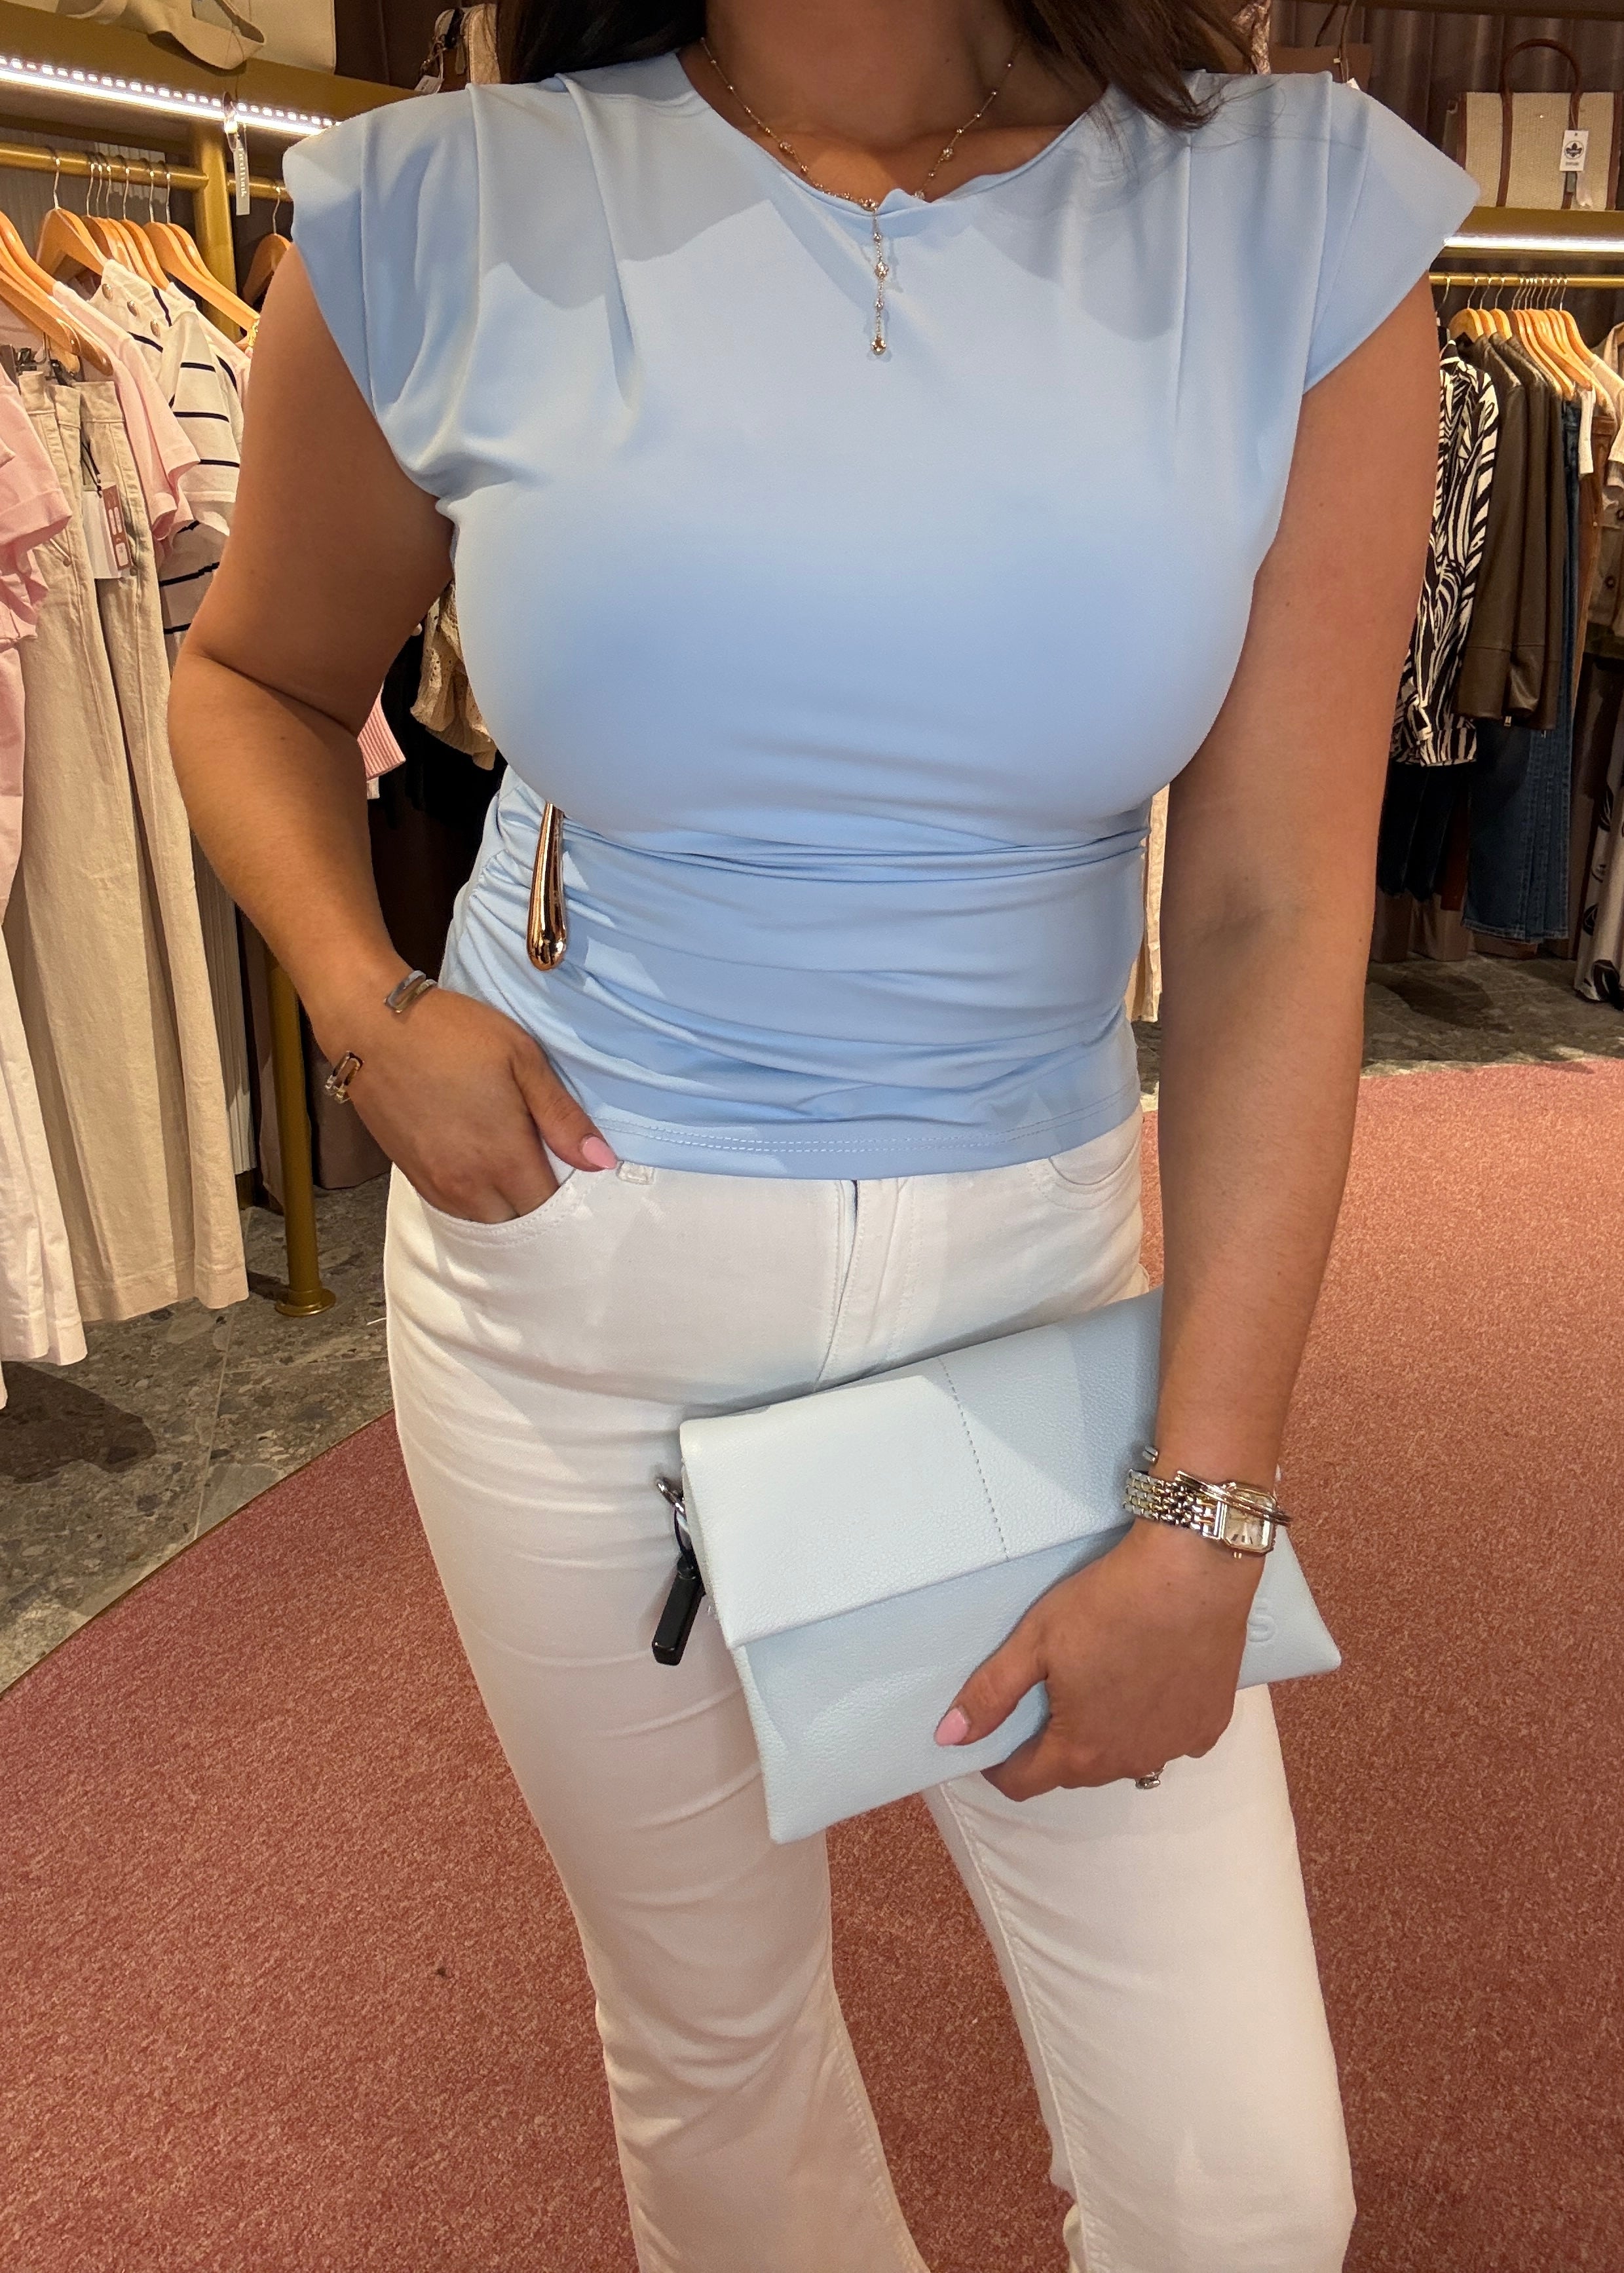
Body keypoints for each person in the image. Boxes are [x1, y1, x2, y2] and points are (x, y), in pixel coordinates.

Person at [170, 4, 1476, 2266]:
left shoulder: (1293, 219)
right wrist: (370, 1013)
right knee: (721, 2068)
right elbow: (256, 681)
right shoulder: (448, 205)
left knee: (1244, 2196)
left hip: (1029, 1299)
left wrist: (1212, 1507)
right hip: (570, 1295)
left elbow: (1273, 903)